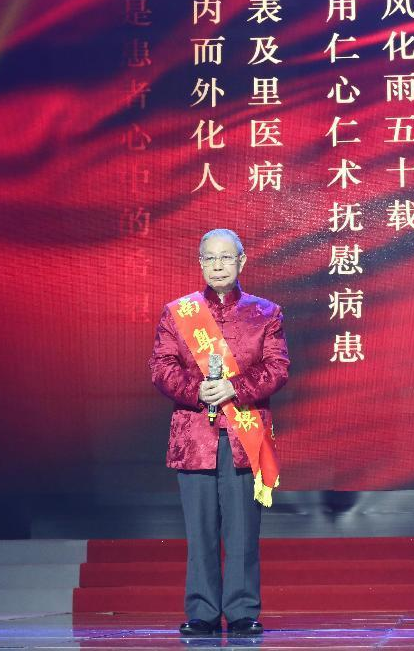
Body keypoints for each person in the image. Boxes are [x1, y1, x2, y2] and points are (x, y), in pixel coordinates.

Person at [148, 229, 290, 638]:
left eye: (226, 257)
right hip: (194, 436)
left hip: (246, 437)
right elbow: (161, 366)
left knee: (242, 531)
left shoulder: (266, 313)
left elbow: (277, 368)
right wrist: (197, 390)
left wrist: (234, 388)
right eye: (209, 258)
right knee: (200, 532)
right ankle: (203, 613)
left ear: (241, 261)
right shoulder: (178, 313)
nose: (217, 265)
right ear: (200, 263)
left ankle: (243, 612)